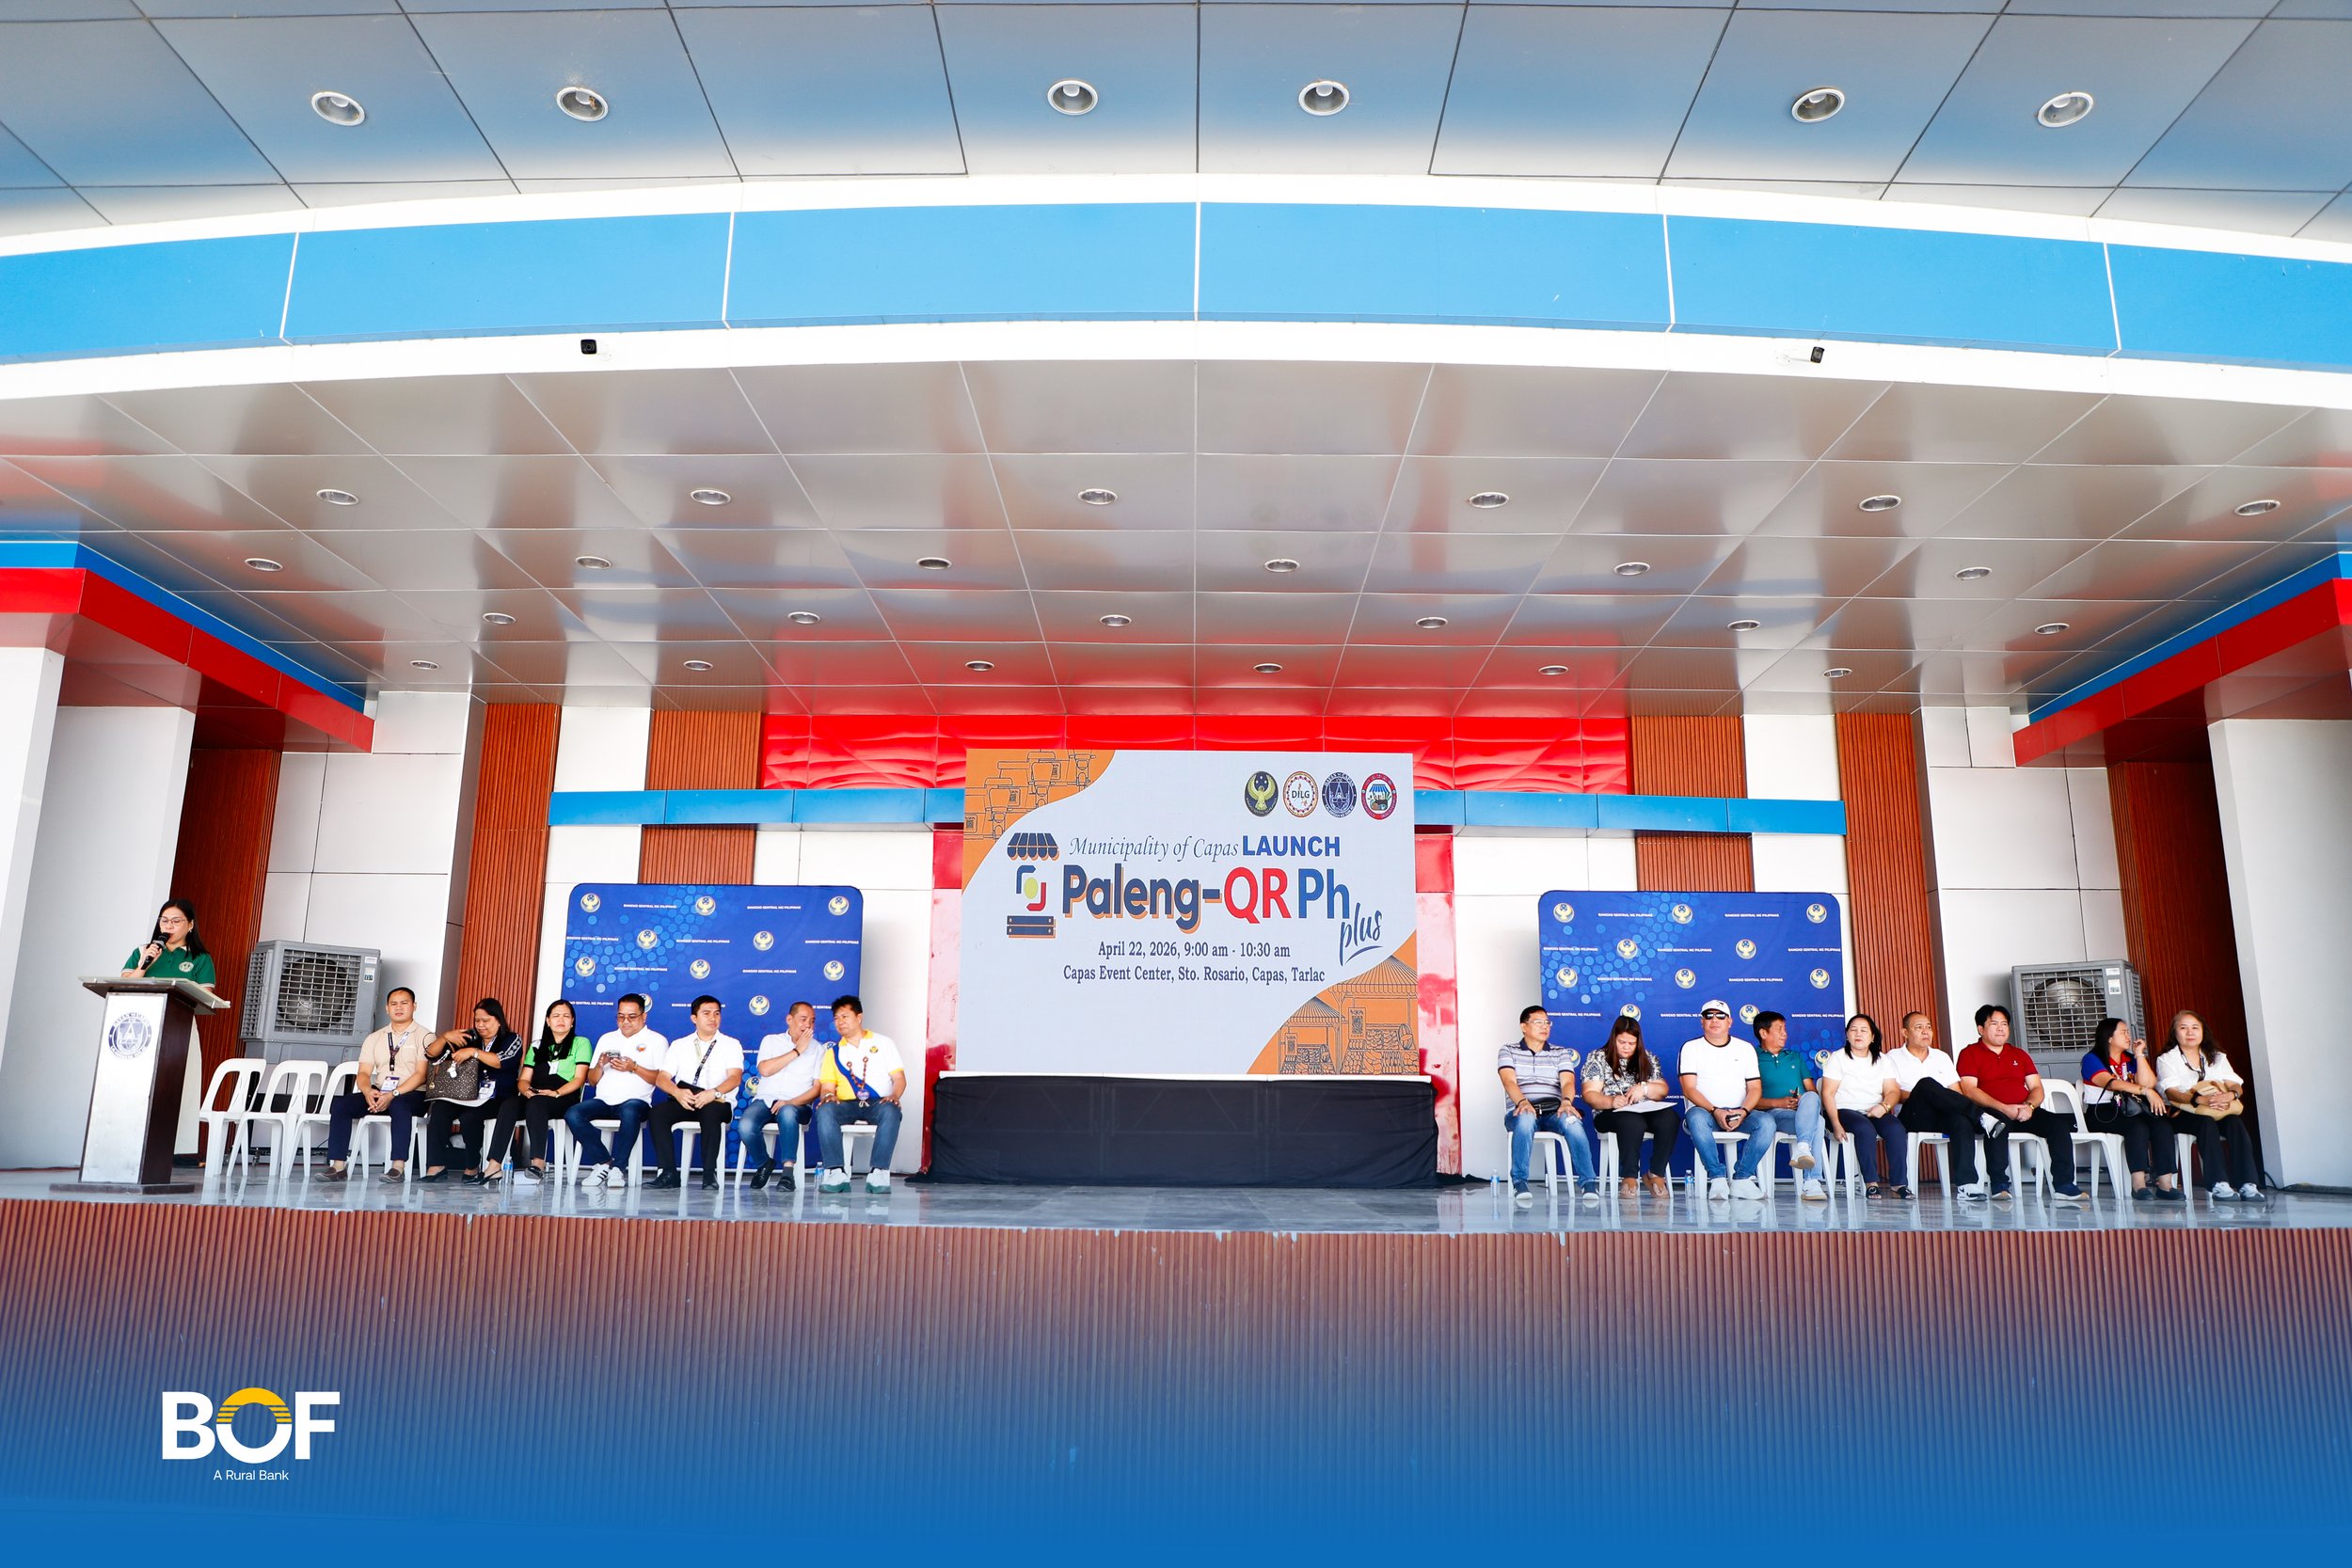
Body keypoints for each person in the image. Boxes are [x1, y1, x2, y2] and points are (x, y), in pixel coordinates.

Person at [1955, 1003, 2086, 1204]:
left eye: (2004, 1024)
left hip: (2024, 1110)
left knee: (2058, 1124)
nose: (2001, 1028)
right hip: (1991, 1112)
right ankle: (1999, 1184)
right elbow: (1969, 1090)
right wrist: (2003, 1108)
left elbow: (2037, 1087)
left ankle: (2064, 1185)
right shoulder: (1970, 1053)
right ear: (1981, 1029)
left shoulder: (2019, 1054)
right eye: (1994, 1024)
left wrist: (2030, 1107)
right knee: (1997, 1123)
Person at [319, 987, 430, 1182]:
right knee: (342, 1105)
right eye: (394, 1004)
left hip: (413, 1094)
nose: (398, 1008)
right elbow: (363, 1073)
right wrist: (368, 1091)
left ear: (414, 1006)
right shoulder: (374, 1038)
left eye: (404, 1003)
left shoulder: (425, 1036)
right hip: (380, 1092)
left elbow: (421, 1076)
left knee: (399, 1104)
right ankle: (337, 1166)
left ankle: (397, 1167)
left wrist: (393, 1094)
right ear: (387, 1008)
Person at [2153, 1009, 2265, 1203]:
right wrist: (2198, 1100)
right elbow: (2171, 1092)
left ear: (2203, 1031)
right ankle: (2218, 1184)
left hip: (2216, 1109)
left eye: (2195, 1027)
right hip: (2183, 1112)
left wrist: (2230, 1095)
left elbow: (2235, 1084)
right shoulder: (2167, 1059)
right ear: (2174, 1033)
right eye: (2183, 1028)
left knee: (2235, 1122)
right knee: (2205, 1123)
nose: (2190, 1032)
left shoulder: (2217, 1057)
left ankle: (2248, 1184)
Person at [1497, 1005, 1597, 1206]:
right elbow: (1509, 1081)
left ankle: (1588, 1183)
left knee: (1572, 1121)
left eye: (1547, 1022)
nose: (1545, 1026)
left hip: (1553, 1111)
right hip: (1521, 1110)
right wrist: (1523, 1102)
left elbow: (1568, 1082)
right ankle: (1519, 1183)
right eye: (1538, 1022)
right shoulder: (1508, 1050)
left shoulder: (1560, 1053)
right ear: (1524, 1027)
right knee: (1526, 1118)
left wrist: (1566, 1102)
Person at [565, 993, 667, 1190]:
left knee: (630, 1111)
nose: (625, 1021)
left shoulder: (657, 1040)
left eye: (632, 1016)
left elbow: (661, 1079)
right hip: (604, 1100)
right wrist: (600, 1065)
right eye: (621, 1016)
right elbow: (592, 1080)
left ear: (644, 1016)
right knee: (573, 1113)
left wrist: (634, 1067)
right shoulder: (607, 1038)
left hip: (637, 1101)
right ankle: (604, 1163)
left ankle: (618, 1169)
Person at [647, 995, 743, 1192]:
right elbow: (662, 1078)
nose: (713, 1018)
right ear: (694, 1018)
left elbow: (735, 1078)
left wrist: (713, 1093)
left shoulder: (731, 1044)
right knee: (657, 1114)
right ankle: (668, 1173)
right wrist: (677, 1093)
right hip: (687, 1099)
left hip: (718, 1101)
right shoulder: (679, 1044)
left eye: (717, 1013)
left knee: (711, 1113)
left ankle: (709, 1174)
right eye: (706, 1013)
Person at [2081, 1017, 2182, 1203]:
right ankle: (2138, 1184)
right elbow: (2110, 1083)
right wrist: (2145, 1091)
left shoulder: (2129, 1059)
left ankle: (2165, 1184)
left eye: (2128, 1032)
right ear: (2109, 1037)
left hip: (2131, 1109)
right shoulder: (2092, 1059)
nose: (2128, 1036)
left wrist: (2139, 1055)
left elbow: (2149, 1083)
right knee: (2137, 1128)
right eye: (2123, 1032)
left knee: (2162, 1126)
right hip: (2102, 1112)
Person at [1888, 1011, 1988, 1198]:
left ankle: (1966, 1185)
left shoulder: (1941, 1057)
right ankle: (1981, 1116)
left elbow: (1956, 1092)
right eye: (1919, 1027)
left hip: (1941, 1116)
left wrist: (1938, 1099)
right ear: (1905, 1033)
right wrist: (1927, 1095)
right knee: (1926, 1085)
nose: (1926, 1031)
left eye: (1928, 1027)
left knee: (1961, 1121)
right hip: (1912, 1116)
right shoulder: (1892, 1057)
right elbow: (1895, 1093)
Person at [421, 1000, 520, 1184]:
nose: (481, 1025)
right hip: (464, 1095)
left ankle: (472, 1165)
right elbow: (431, 1055)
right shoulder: (469, 1037)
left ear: (499, 1021)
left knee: (470, 1117)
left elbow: (502, 1061)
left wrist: (474, 1052)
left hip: (497, 1097)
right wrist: (445, 1038)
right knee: (440, 1108)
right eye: (477, 1020)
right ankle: (436, 1165)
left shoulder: (512, 1039)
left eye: (486, 1020)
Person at [814, 994, 903, 1195]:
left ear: (859, 1017)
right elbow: (827, 1087)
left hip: (878, 1103)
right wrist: (828, 1096)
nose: (840, 1022)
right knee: (825, 1110)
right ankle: (836, 1172)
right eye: (836, 1018)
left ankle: (878, 1172)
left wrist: (895, 1095)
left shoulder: (883, 1043)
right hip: (847, 1105)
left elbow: (899, 1078)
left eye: (845, 1016)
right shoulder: (833, 1052)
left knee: (892, 1110)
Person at [1581, 1015, 1678, 1199]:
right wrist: (1611, 1101)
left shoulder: (1648, 1057)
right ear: (1614, 1039)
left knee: (1670, 1118)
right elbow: (1589, 1094)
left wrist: (1644, 1088)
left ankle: (1655, 1173)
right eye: (1622, 1042)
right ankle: (1629, 1176)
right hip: (1609, 1113)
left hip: (1644, 1109)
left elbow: (1663, 1090)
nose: (1626, 1047)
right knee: (1632, 1121)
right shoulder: (1598, 1057)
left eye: (1631, 1043)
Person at [1677, 1000, 1766, 1200]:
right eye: (1709, 1016)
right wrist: (1715, 1110)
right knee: (1695, 1117)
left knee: (1766, 1123)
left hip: (1740, 1113)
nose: (1714, 1020)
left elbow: (1755, 1088)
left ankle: (1742, 1179)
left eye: (1720, 1015)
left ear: (1730, 1021)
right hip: (1706, 1113)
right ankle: (1717, 1177)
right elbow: (1689, 1089)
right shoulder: (1691, 1047)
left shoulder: (1745, 1048)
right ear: (1702, 1022)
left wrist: (1743, 1112)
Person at [737, 1001, 823, 1191]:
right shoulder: (771, 1041)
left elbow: (817, 1089)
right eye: (803, 1019)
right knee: (746, 1125)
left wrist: (790, 1102)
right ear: (789, 1019)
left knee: (787, 1112)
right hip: (766, 1100)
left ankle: (787, 1174)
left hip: (798, 1104)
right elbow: (765, 1070)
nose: (808, 1025)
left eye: (812, 1021)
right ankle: (764, 1163)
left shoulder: (818, 1049)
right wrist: (797, 1051)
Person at [1821, 1014, 1909, 1198]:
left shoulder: (1883, 1060)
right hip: (1843, 1111)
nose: (1858, 1034)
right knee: (1865, 1129)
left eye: (1863, 1030)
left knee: (1896, 1129)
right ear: (1847, 1035)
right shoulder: (1838, 1058)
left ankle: (1899, 1184)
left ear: (1873, 1036)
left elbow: (1893, 1091)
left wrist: (1884, 1107)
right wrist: (1836, 1124)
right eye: (1853, 1030)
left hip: (1874, 1109)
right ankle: (1871, 1183)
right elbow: (1828, 1093)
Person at [1748, 1009, 1828, 1201]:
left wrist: (1801, 1100)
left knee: (1812, 1101)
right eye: (1779, 1029)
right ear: (1763, 1033)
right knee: (1818, 1123)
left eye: (1785, 1028)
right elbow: (1747, 1099)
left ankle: (1803, 1149)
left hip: (1800, 1112)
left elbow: (1811, 1091)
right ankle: (1812, 1181)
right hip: (1772, 1115)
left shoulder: (1795, 1057)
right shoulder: (1751, 1058)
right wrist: (1779, 1103)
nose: (1785, 1033)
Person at [512, 999, 590, 1186]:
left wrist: (556, 1093)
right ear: (548, 1021)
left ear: (572, 1021)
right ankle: (495, 1164)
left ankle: (537, 1163)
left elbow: (579, 1079)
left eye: (566, 1016)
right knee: (509, 1105)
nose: (560, 1020)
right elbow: (524, 1080)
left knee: (537, 1103)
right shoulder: (537, 1046)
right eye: (556, 1016)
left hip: (564, 1096)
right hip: (536, 1094)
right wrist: (527, 1092)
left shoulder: (581, 1043)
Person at [120, 897, 217, 992]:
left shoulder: (201, 958)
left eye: (176, 921)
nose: (169, 926)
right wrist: (143, 966)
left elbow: (205, 998)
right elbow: (122, 987)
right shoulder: (142, 951)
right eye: (164, 921)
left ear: (190, 925)